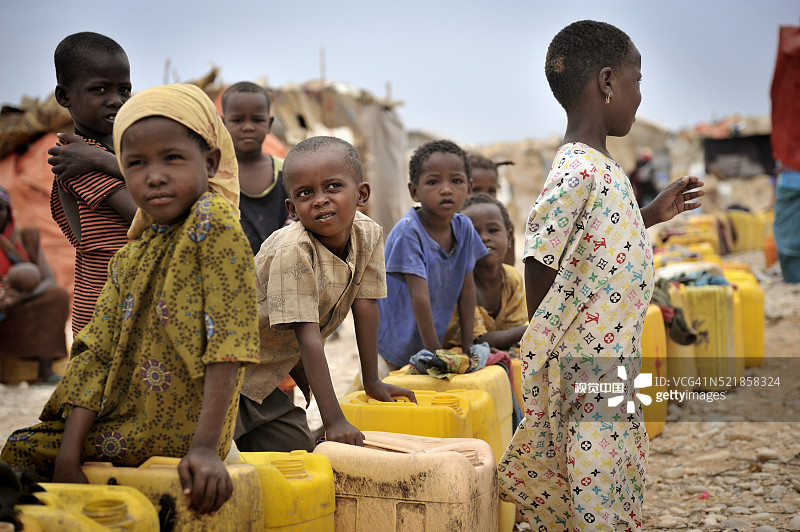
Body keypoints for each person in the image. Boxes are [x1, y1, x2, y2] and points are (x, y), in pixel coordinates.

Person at [2, 84, 259, 516]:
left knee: (21, 459)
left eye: (172, 158)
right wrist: (69, 453)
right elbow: (94, 352)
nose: (153, 175)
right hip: (124, 418)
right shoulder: (132, 252)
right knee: (25, 448)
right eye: (135, 163)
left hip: (184, 429)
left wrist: (206, 449)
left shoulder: (210, 222)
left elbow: (228, 343)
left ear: (210, 161)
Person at [498, 21, 704, 530]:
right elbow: (539, 254)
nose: (640, 96)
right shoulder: (577, 169)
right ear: (608, 82)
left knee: (614, 476)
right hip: (585, 367)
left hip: (614, 362)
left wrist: (649, 215)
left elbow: (597, 243)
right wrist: (544, 346)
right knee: (594, 485)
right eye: (638, 80)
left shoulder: (603, 167)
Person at [236, 136, 415, 451]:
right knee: (217, 455)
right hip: (227, 371)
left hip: (263, 377)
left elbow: (366, 304)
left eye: (333, 187)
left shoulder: (368, 233)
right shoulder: (293, 250)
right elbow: (308, 336)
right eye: (306, 193)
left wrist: (372, 381)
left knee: (297, 449)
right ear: (292, 208)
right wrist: (334, 420)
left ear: (361, 194)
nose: (320, 200)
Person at [48, 32, 138, 336]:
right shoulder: (78, 159)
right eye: (100, 89)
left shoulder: (108, 154)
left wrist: (108, 160)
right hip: (107, 310)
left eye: (124, 89)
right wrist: (103, 162)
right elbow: (146, 217)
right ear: (64, 96)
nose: (116, 100)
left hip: (128, 298)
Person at [376, 140, 487, 373]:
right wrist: (435, 356)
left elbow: (467, 291)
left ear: (469, 187)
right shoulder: (409, 232)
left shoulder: (464, 227)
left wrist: (468, 348)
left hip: (430, 339)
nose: (446, 189)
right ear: (414, 191)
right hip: (394, 342)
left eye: (456, 181)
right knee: (395, 400)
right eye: (433, 182)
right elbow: (420, 297)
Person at [0, 186, 70, 382]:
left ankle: (45, 370)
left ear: (8, 212)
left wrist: (19, 298)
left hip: (19, 304)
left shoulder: (26, 238)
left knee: (57, 294)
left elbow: (48, 280)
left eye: (0, 208)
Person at [441, 193, 527, 351]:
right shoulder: (459, 283)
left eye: (493, 230)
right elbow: (477, 340)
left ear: (508, 237)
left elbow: (515, 334)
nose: (484, 238)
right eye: (473, 233)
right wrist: (533, 329)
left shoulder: (512, 279)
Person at [221, 81, 290, 255]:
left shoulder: (287, 171)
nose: (248, 127)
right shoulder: (215, 174)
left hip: (279, 269)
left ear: (269, 123)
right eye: (237, 120)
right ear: (223, 123)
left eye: (257, 119)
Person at [468, 152, 516, 265]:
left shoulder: (503, 224)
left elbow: (508, 267)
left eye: (491, 191)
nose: (485, 196)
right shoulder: (455, 222)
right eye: (476, 190)